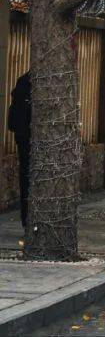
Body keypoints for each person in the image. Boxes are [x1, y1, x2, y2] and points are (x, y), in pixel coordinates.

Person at [6, 72, 30, 231]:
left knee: (26, 178)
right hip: (29, 138)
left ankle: (26, 220)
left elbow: (12, 122)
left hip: (23, 139)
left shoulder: (22, 83)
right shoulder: (28, 84)